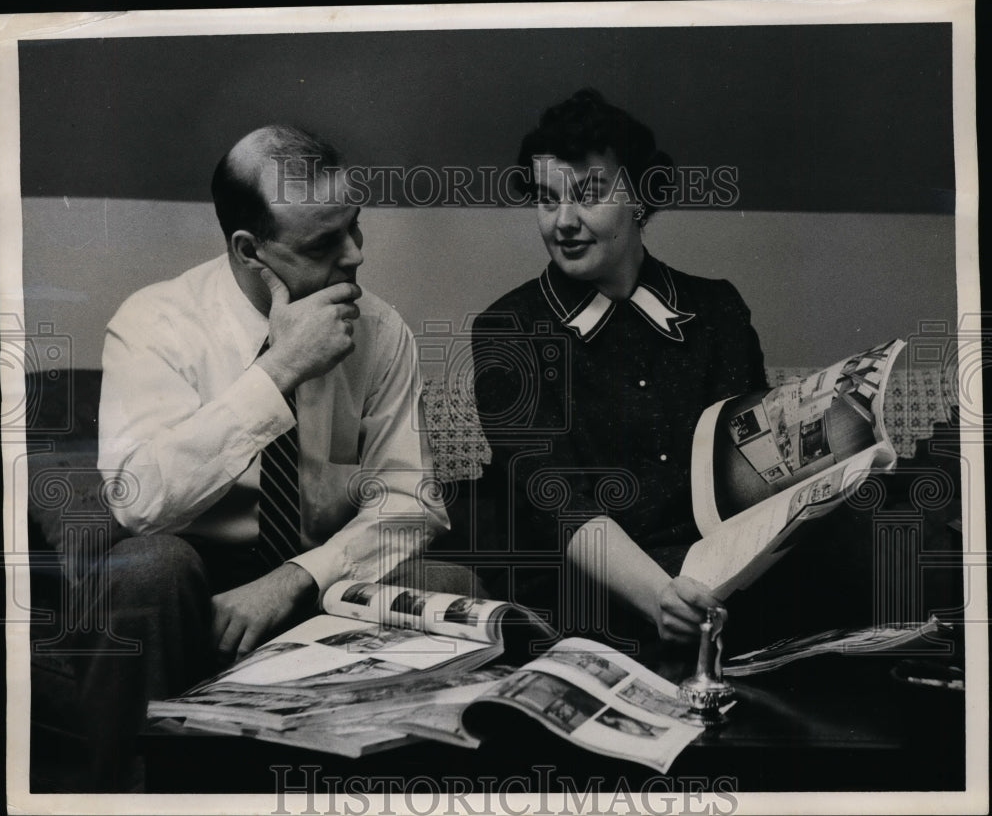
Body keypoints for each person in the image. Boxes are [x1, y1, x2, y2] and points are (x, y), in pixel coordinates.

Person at [80, 125, 466, 790]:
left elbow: (413, 502)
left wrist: (294, 579)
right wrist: (279, 370)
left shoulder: (381, 329)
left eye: (355, 226)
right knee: (149, 571)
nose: (354, 257)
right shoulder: (156, 322)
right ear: (249, 252)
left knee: (455, 589)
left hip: (321, 574)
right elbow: (138, 501)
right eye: (322, 243)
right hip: (194, 584)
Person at [471, 90, 767, 648]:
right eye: (545, 199)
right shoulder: (507, 328)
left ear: (643, 197)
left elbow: (746, 470)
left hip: (714, 578)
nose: (564, 222)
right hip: (581, 587)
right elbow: (554, 498)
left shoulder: (718, 310)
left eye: (589, 195)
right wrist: (662, 596)